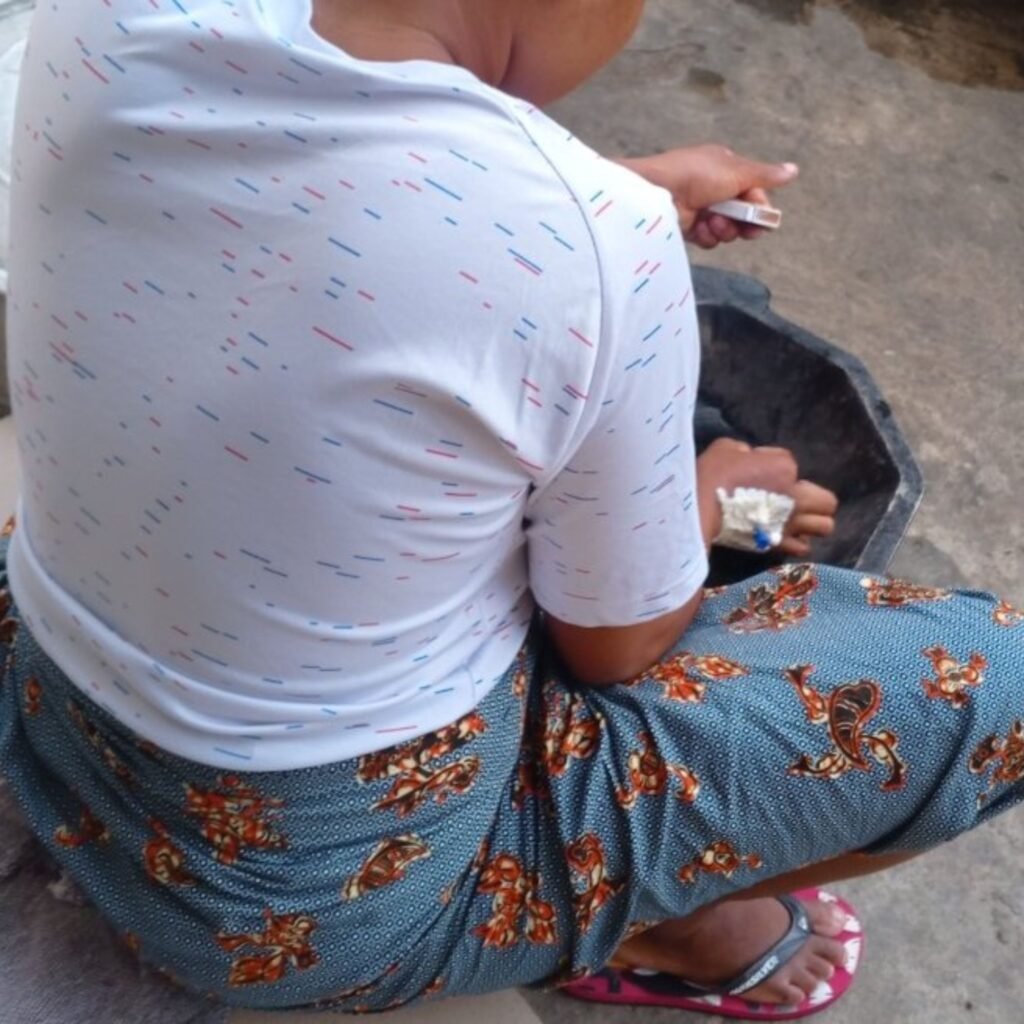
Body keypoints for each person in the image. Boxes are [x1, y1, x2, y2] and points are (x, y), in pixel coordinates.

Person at [1, 0, 1021, 1018]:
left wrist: (604, 190)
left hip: (45, 719)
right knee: (997, 683)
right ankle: (655, 923)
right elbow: (617, 651)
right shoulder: (594, 246)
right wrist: (712, 498)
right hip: (278, 912)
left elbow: (304, 219)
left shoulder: (107, 16)